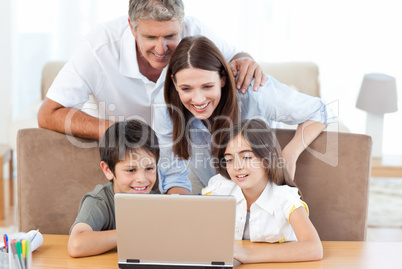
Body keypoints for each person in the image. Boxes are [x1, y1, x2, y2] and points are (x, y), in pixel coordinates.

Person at [38, 0, 266, 140]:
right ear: (131, 27)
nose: (161, 49)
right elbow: (48, 113)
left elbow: (238, 57)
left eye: (170, 36)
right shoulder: (97, 48)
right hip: (132, 156)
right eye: (150, 37)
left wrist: (246, 61)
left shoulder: (195, 31)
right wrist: (121, 131)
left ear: (182, 24)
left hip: (188, 149)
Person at [153, 35, 334, 194]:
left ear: (223, 78)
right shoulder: (165, 105)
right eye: (186, 88)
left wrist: (290, 154)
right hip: (212, 189)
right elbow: (173, 175)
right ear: (174, 83)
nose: (198, 99)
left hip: (260, 188)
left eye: (208, 86)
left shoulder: (255, 92)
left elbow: (320, 110)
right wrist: (183, 210)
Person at [202, 119, 323, 263]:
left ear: (267, 159)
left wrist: (248, 255)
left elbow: (314, 248)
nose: (237, 167)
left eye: (246, 157)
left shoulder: (285, 198)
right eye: (229, 160)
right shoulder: (218, 189)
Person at [68, 119, 160, 257]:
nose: (142, 179)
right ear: (108, 170)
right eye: (130, 170)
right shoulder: (99, 201)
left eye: (149, 168)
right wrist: (131, 234)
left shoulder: (158, 203)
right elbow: (76, 244)